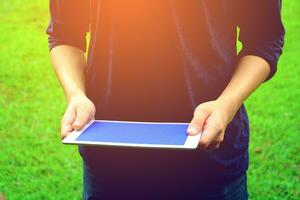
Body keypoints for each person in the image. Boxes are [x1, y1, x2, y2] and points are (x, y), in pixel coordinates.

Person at [47, 0, 285, 199]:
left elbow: (264, 40)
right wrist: (76, 94)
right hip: (110, 165)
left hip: (208, 165)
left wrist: (226, 105)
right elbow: (65, 34)